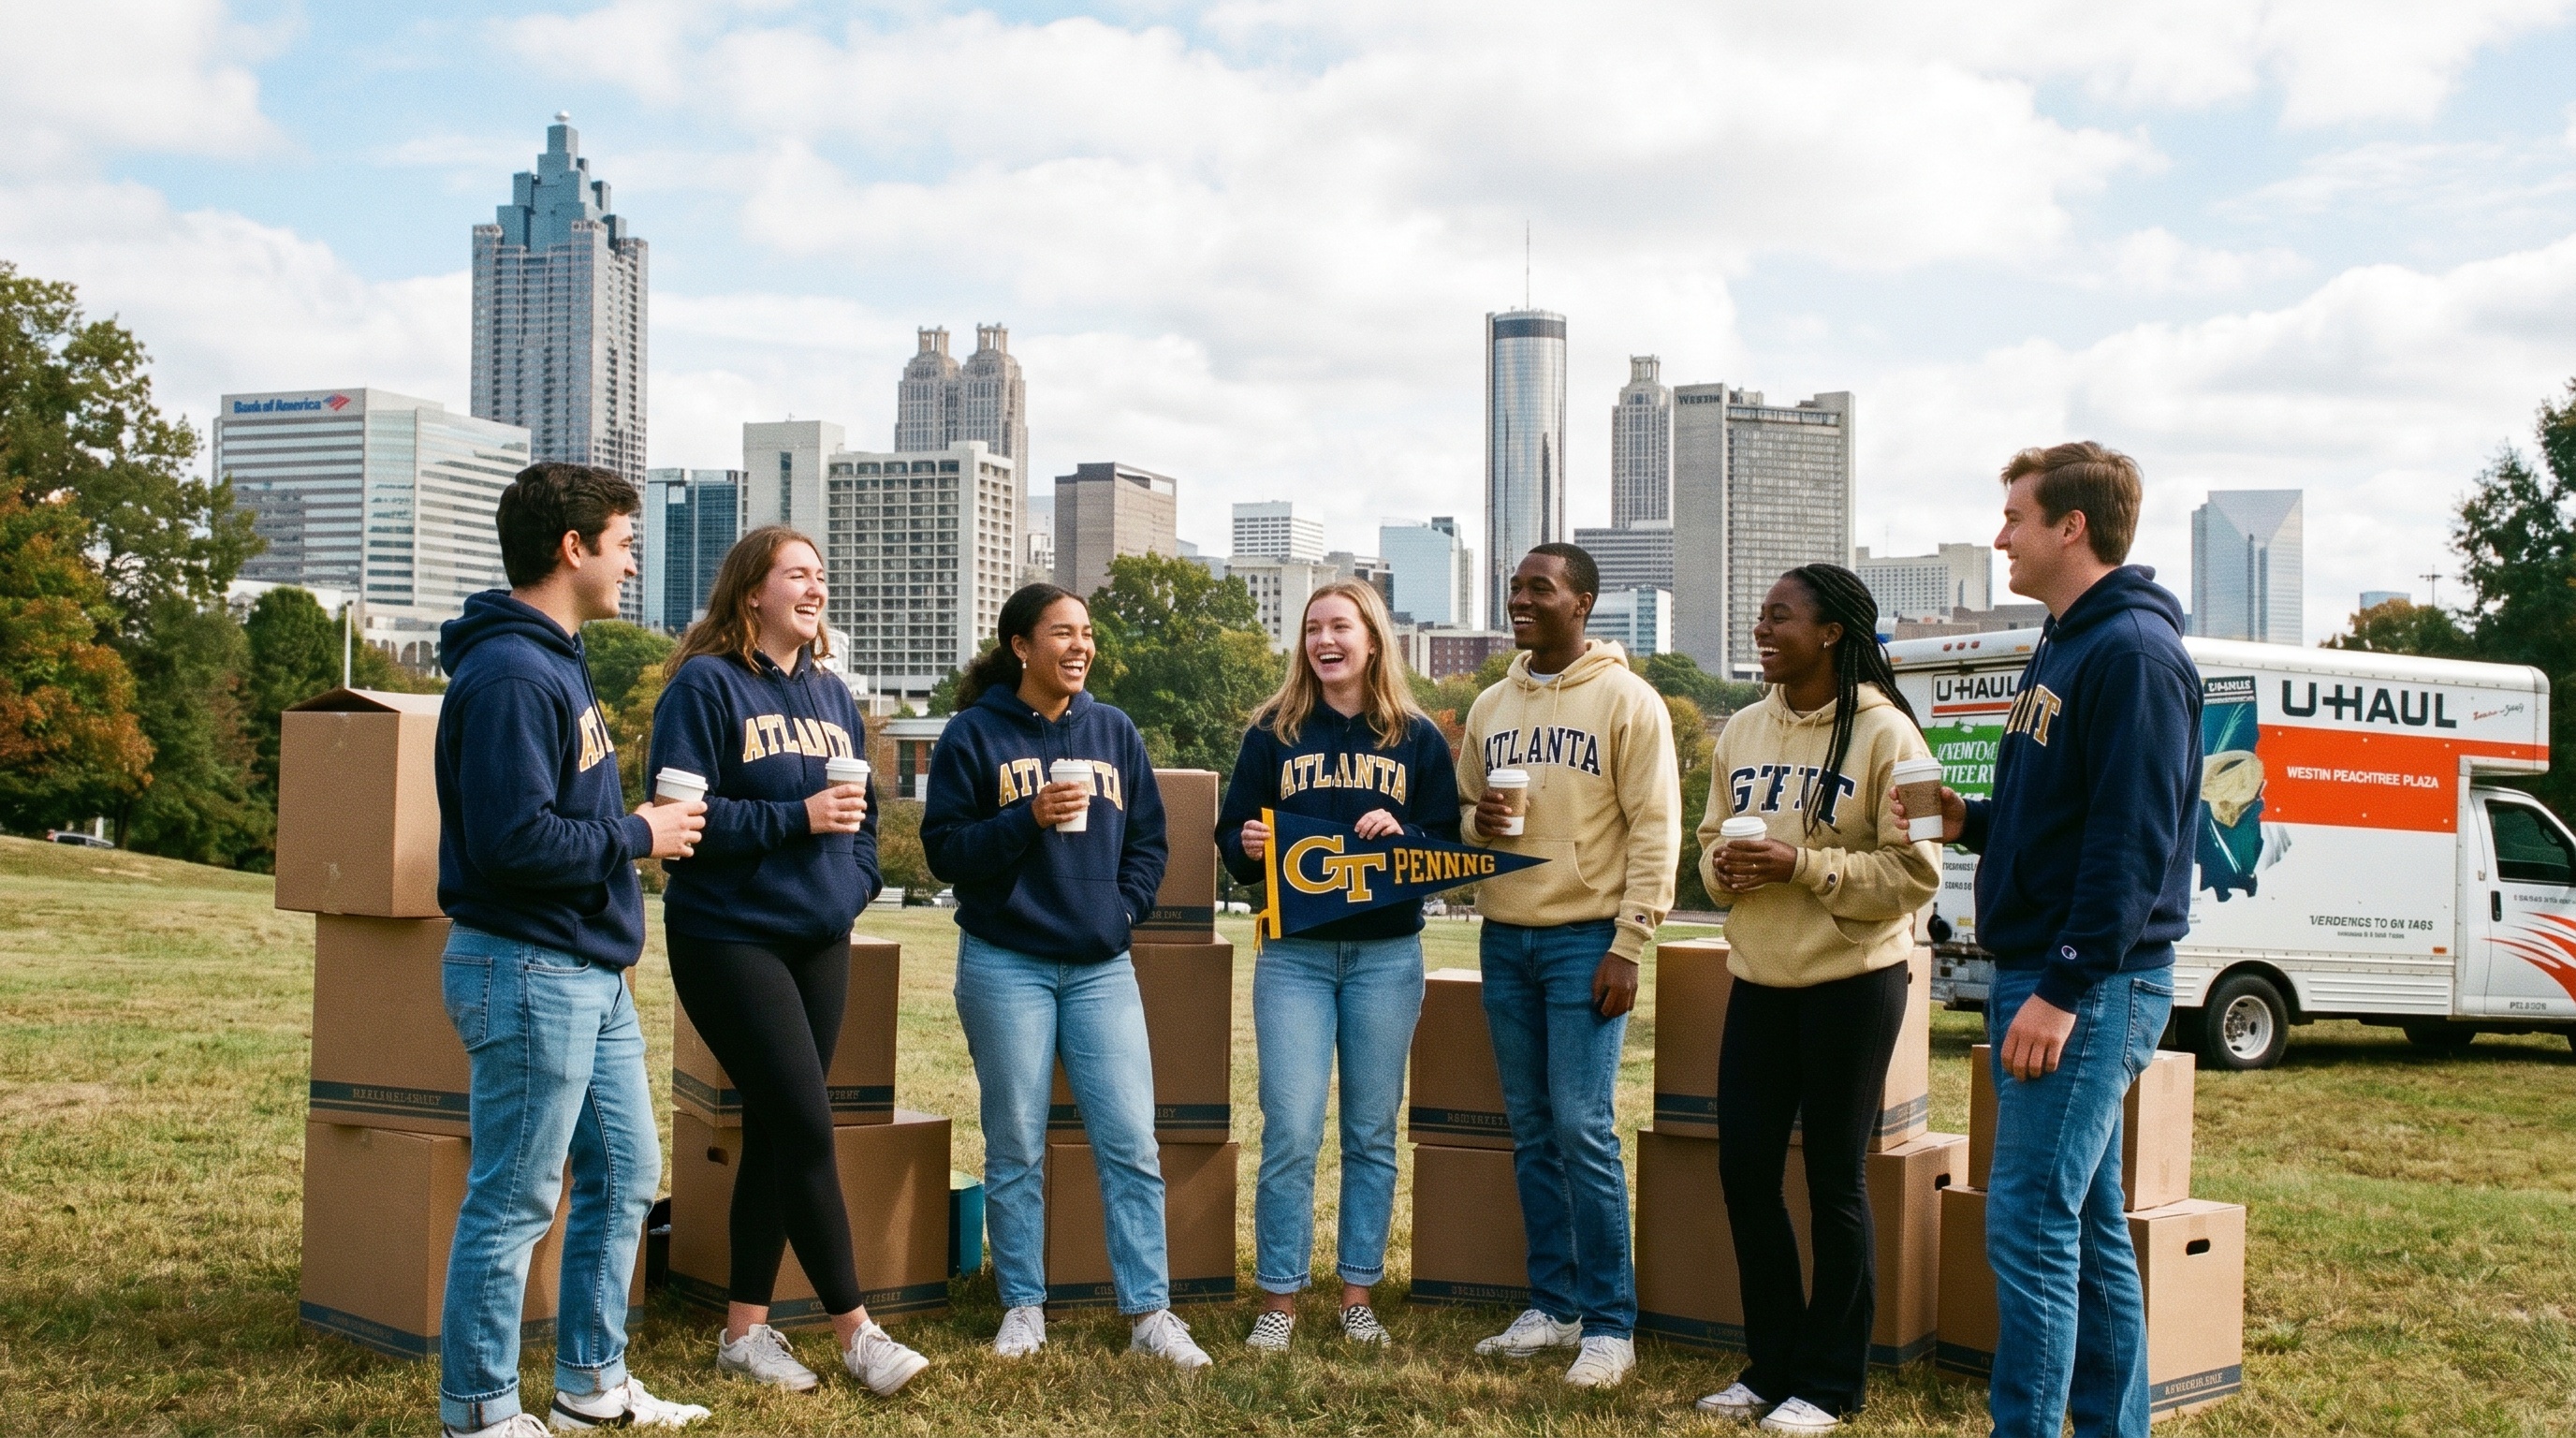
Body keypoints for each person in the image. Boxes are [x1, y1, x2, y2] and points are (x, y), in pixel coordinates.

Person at [1899, 443, 2197, 1438]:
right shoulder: (2063, 641)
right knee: (2089, 1225)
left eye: (2015, 520)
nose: (2001, 538)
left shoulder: (2134, 656)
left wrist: (2063, 992)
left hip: (2092, 980)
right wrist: (1970, 817)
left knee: (2026, 1221)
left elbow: (2131, 844)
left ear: (2071, 527)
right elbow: (2060, 814)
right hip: (2051, 966)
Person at [432, 462, 710, 1436]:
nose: (633, 564)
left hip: (584, 970)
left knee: (626, 1175)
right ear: (573, 547)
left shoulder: (556, 659)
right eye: (626, 544)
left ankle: (592, 1385)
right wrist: (642, 835)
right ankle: (479, 1410)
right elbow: (513, 845)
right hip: (525, 967)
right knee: (514, 1201)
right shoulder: (510, 673)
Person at [646, 526, 929, 1398]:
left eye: (821, 576)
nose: (815, 588)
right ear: (751, 592)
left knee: (775, 1132)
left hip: (818, 938)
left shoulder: (833, 694)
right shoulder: (705, 686)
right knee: (808, 1126)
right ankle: (857, 1331)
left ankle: (745, 1334)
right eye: (796, 574)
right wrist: (795, 821)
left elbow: (865, 820)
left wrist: (850, 890)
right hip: (729, 937)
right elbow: (676, 827)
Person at [919, 583, 1212, 1372]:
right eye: (1062, 634)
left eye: (1087, 634)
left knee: (1129, 1142)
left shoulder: (1114, 730)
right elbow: (944, 850)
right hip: (1004, 963)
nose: (1080, 647)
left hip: (1099, 967)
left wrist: (1120, 915)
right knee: (1015, 1142)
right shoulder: (974, 735)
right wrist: (1028, 816)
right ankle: (1023, 1306)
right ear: (1021, 646)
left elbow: (1151, 841)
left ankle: (1151, 1312)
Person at [1690, 565, 1942, 1433]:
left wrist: (1805, 866)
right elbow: (1706, 840)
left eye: (1780, 618)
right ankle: (1771, 1366)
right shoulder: (1741, 728)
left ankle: (1830, 1383)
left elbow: (1918, 875)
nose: (1762, 630)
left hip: (1854, 983)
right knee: (1746, 1173)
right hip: (1759, 979)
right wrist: (1718, 868)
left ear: (1832, 632)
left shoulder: (1889, 736)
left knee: (1834, 1178)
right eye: (1759, 616)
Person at [1455, 543, 1680, 1389]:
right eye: (1515, 587)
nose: (1521, 599)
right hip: (1504, 936)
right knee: (1532, 1128)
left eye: (1539, 588)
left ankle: (1610, 1323)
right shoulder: (1489, 703)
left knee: (1583, 1126)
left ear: (1582, 602)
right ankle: (1552, 1305)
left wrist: (1631, 942)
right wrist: (1484, 821)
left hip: (1588, 938)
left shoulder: (1629, 700)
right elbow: (1466, 818)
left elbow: (1656, 828)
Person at [1218, 580, 1462, 1352]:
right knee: (1290, 1127)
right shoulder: (1272, 733)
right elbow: (1231, 842)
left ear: (1372, 638)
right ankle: (1280, 1299)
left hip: (1386, 956)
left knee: (1370, 1129)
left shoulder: (1417, 737)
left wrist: (1406, 830)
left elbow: (1446, 851)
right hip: (1294, 956)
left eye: (1341, 627)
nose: (1325, 640)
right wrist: (1248, 848)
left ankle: (1358, 1293)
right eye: (1313, 628)